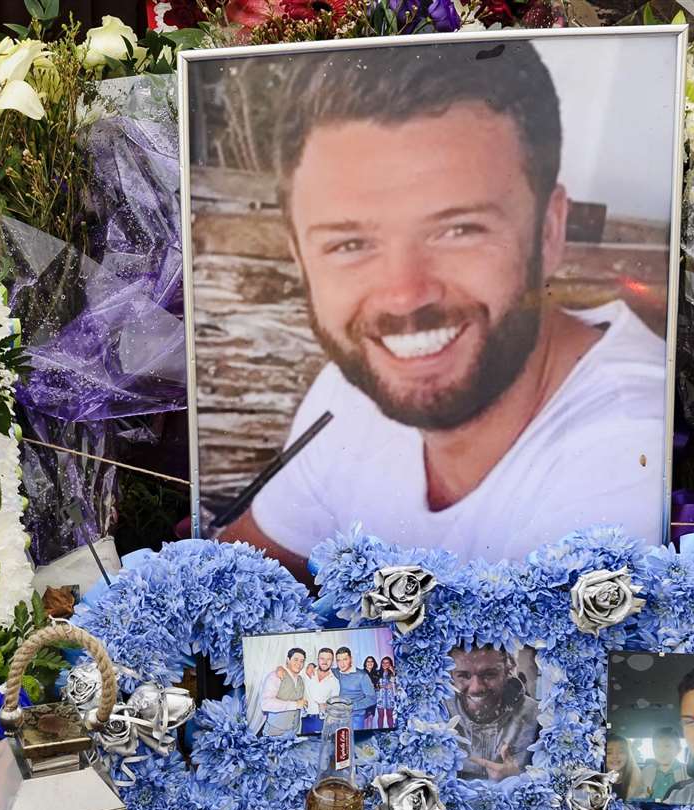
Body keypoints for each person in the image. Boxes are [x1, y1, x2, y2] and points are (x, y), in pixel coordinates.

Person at [218, 42, 667, 575]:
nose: (405, 295)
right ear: (300, 258)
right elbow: (237, 582)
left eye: (458, 230)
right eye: (349, 244)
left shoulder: (627, 454)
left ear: (549, 231)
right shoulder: (349, 390)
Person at [447, 646, 539, 781]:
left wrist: (518, 781)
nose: (476, 688)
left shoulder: (539, 718)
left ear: (508, 671)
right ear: (451, 676)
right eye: (463, 676)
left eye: (489, 674)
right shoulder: (435, 715)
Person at [637, 722, 694, 805]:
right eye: (657, 746)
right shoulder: (647, 772)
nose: (661, 750)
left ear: (678, 749)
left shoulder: (688, 772)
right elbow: (645, 793)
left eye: (667, 746)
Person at [255, 647, 309, 736]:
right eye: (296, 660)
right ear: (288, 660)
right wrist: (295, 704)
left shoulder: (301, 680)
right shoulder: (275, 676)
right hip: (274, 732)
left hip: (293, 731)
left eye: (302, 661)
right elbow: (265, 704)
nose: (299, 664)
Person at [332, 647, 376, 728]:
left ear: (351, 659)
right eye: (339, 660)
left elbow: (372, 698)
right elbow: (323, 668)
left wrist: (352, 706)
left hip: (356, 717)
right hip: (339, 717)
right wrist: (311, 667)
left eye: (345, 659)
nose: (342, 663)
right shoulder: (336, 672)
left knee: (356, 740)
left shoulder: (362, 676)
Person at [301, 646, 339, 734]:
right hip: (304, 718)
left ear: (332, 662)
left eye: (328, 659)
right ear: (317, 659)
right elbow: (291, 670)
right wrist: (279, 669)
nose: (325, 662)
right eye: (322, 658)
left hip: (321, 720)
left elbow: (334, 704)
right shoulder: (306, 672)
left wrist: (327, 706)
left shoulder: (335, 681)